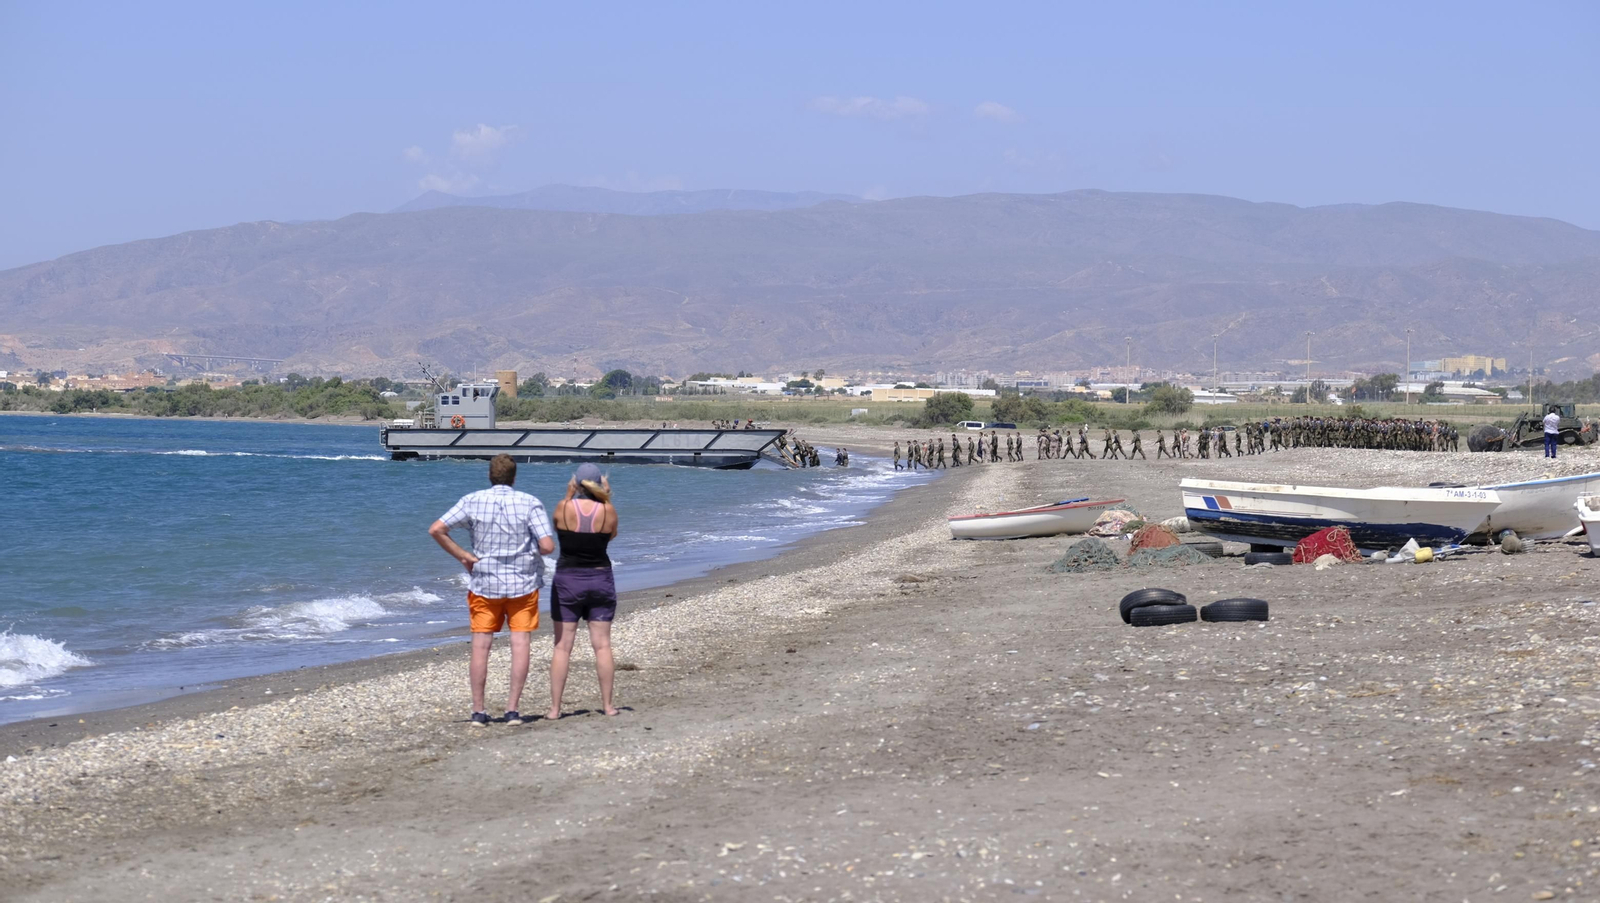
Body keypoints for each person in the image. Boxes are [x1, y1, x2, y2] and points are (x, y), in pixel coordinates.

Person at [429, 453, 555, 727]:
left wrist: (463, 555)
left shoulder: (473, 500)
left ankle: (478, 711)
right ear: (514, 477)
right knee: (520, 644)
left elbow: (437, 529)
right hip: (522, 583)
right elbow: (547, 546)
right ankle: (512, 710)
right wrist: (530, 551)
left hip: (485, 582)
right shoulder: (530, 502)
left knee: (481, 646)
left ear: (490, 475)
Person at [548, 463, 621, 719]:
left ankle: (555, 709)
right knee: (602, 646)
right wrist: (606, 497)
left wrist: (568, 496)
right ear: (599, 484)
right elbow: (610, 536)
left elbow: (558, 528)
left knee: (562, 647)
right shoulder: (608, 510)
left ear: (575, 484)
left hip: (568, 580)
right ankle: (608, 706)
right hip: (600, 578)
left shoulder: (563, 507)